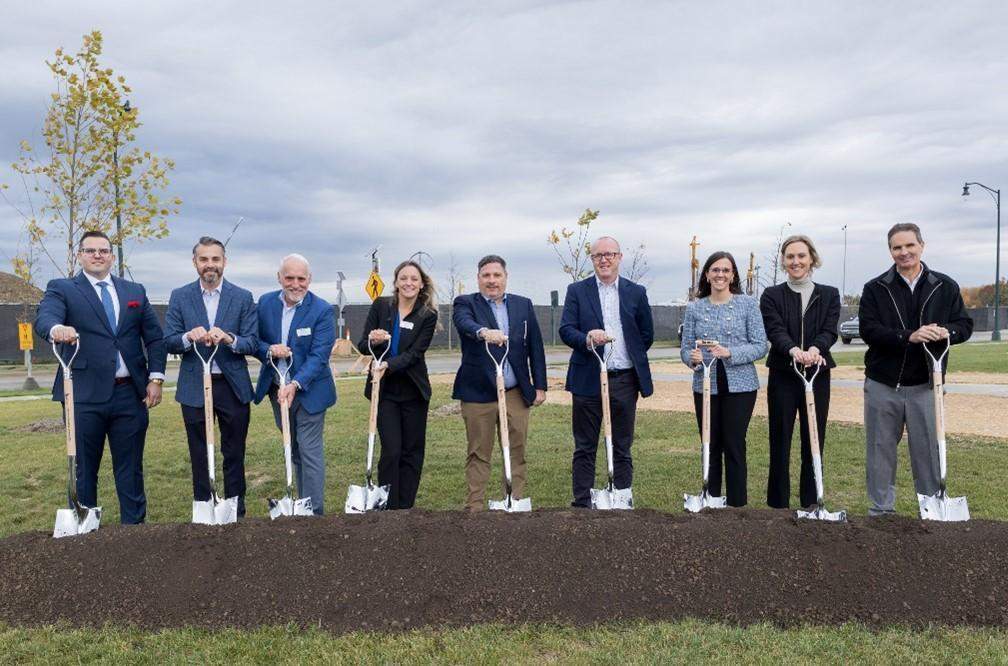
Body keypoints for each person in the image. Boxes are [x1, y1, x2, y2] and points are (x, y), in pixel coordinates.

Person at [34, 230, 167, 524]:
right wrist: (57, 329)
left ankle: (134, 532)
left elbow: (155, 338)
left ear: (111, 256)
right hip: (82, 395)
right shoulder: (62, 288)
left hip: (129, 395)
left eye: (104, 250)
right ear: (79, 255)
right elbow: (45, 318)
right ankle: (85, 530)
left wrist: (155, 378)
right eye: (90, 250)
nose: (97, 255)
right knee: (84, 469)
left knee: (130, 469)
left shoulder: (134, 291)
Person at [859, 222, 973, 515]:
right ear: (890, 251)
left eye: (910, 245)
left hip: (926, 384)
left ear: (922, 246)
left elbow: (964, 325)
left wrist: (947, 332)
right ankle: (881, 512)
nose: (904, 252)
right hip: (884, 384)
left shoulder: (944, 286)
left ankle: (932, 510)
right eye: (897, 247)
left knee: (929, 452)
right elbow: (869, 330)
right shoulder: (875, 288)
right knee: (880, 450)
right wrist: (907, 336)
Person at [165, 237, 259, 518]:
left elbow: (252, 342)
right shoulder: (180, 296)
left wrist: (230, 339)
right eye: (204, 259)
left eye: (215, 259)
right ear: (195, 262)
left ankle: (235, 511)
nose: (210, 265)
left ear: (224, 262)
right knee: (199, 453)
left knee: (234, 452)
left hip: (232, 387)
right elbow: (168, 340)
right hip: (194, 386)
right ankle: (205, 510)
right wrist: (187, 337)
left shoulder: (242, 297)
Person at [559, 236, 654, 508]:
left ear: (619, 257)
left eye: (610, 254)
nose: (604, 259)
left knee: (622, 445)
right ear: (592, 259)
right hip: (587, 378)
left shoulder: (636, 292)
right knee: (585, 445)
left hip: (624, 379)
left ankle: (621, 499)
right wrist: (587, 338)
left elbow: (646, 335)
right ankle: (582, 503)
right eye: (598, 255)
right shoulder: (577, 291)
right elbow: (566, 329)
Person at [452, 254, 548, 511]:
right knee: (478, 451)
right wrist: (484, 332)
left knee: (516, 449)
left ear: (506, 277)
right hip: (478, 392)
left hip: (515, 391)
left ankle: (513, 502)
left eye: (497, 275)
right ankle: (475, 506)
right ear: (478, 279)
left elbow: (535, 346)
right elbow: (464, 323)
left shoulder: (523, 305)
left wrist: (540, 385)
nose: (492, 280)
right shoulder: (465, 303)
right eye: (486, 275)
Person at [759, 235, 840, 509]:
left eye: (801, 256)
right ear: (783, 261)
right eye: (790, 256)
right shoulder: (771, 295)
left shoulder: (829, 294)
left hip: (817, 375)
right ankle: (778, 505)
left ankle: (811, 503)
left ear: (811, 258)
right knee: (780, 440)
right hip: (784, 374)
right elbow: (775, 330)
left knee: (813, 439)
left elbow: (829, 330)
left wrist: (815, 349)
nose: (796, 261)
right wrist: (794, 351)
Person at [681, 251, 767, 507]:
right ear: (707, 274)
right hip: (705, 383)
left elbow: (761, 345)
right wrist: (693, 358)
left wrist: (731, 353)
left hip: (740, 385)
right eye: (715, 270)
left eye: (726, 270)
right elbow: (686, 348)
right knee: (710, 442)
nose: (720, 274)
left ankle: (737, 506)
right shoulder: (694, 308)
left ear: (733, 275)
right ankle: (711, 500)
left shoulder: (748, 304)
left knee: (734, 443)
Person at [253, 254, 337, 515]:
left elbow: (319, 356)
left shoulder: (322, 310)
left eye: (301, 278)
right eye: (289, 278)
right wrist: (270, 350)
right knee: (294, 449)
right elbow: (254, 341)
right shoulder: (265, 303)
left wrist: (296, 383)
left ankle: (313, 513)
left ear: (309, 279)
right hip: (277, 391)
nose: (295, 284)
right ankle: (301, 504)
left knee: (309, 451)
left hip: (310, 392)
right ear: (279, 278)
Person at [357, 260, 438, 509]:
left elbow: (415, 354)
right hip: (385, 392)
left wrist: (387, 365)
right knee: (392, 451)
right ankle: (389, 507)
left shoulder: (427, 315)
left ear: (421, 284)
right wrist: (374, 340)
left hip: (414, 391)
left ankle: (405, 508)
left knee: (411, 451)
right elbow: (363, 346)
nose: (408, 283)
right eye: (403, 278)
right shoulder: (381, 306)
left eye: (414, 279)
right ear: (395, 282)